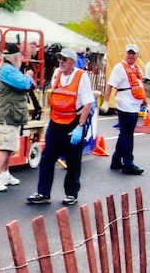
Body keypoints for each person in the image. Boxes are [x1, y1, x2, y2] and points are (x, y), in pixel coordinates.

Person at [27, 48, 95, 205]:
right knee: (47, 157)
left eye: (65, 59)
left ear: (72, 61)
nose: (61, 62)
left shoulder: (81, 76)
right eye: (60, 59)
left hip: (73, 123)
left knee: (73, 160)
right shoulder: (57, 73)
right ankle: (43, 193)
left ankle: (71, 193)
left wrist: (80, 126)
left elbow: (87, 103)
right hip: (56, 122)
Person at [0, 43, 35, 191]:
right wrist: (28, 76)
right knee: (4, 146)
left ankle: (5, 174)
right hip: (8, 114)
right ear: (16, 57)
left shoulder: (7, 69)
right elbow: (25, 84)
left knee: (10, 146)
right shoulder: (8, 70)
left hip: (12, 114)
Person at [100, 43, 149, 175]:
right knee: (127, 136)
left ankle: (116, 160)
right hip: (125, 105)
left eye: (133, 53)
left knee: (125, 135)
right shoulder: (119, 68)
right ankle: (128, 163)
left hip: (134, 106)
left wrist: (146, 102)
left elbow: (140, 87)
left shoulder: (137, 69)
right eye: (129, 53)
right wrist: (105, 101)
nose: (131, 55)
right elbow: (110, 85)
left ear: (137, 56)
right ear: (125, 53)